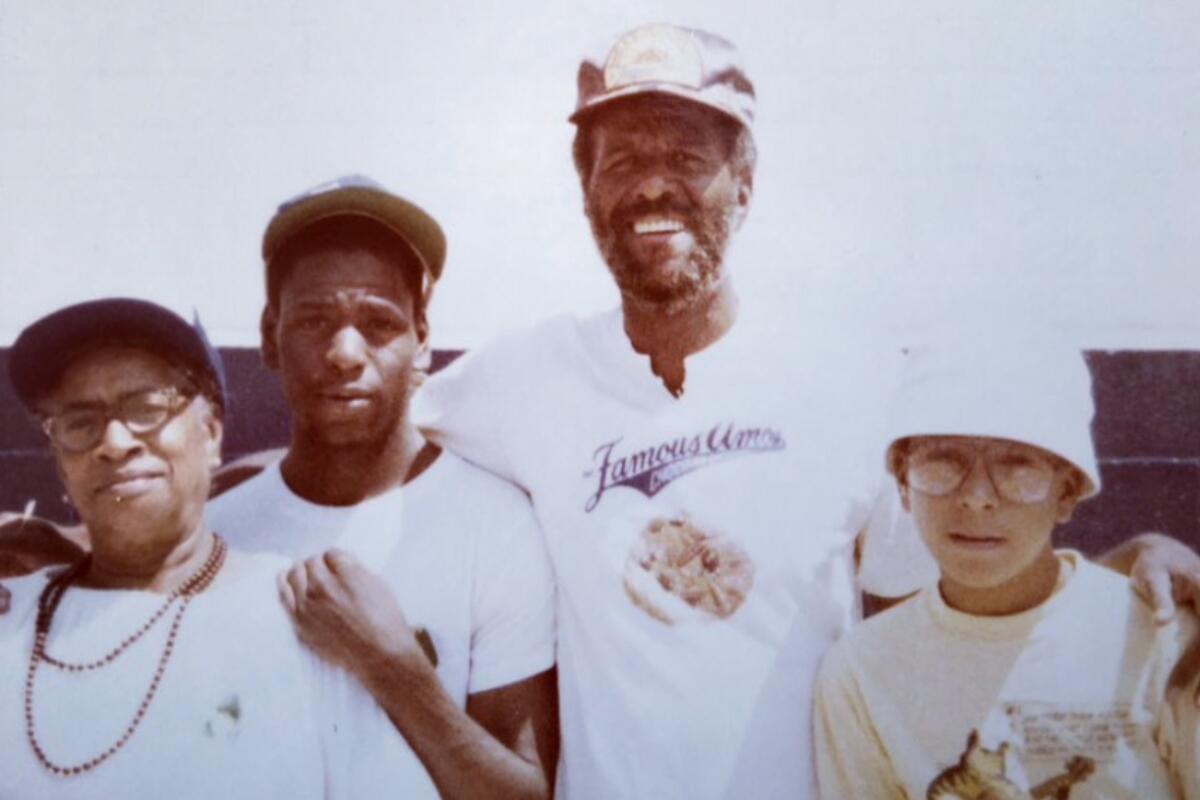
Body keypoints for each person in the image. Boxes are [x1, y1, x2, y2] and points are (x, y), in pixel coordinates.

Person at [412, 22, 1200, 799]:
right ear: (587, 190)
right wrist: (280, 473)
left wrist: (1132, 565)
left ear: (745, 188)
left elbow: (949, 619)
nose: (654, 185)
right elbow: (372, 431)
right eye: (622, 161)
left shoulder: (852, 384)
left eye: (688, 158)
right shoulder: (523, 376)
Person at [205, 175, 559, 800]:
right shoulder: (216, 537)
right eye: (313, 320)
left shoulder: (495, 525)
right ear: (268, 336)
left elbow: (524, 795)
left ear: (422, 338)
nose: (344, 352)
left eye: (378, 322)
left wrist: (390, 666)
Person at [0, 298, 436, 798]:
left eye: (146, 407)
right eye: (80, 423)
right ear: (60, 463)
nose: (115, 442)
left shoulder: (310, 617)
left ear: (210, 434)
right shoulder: (11, 619)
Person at [813, 340, 1200, 799]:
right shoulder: (859, 672)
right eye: (943, 461)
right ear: (902, 481)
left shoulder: (1163, 639)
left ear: (1067, 492)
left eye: (1018, 467)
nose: (977, 495)